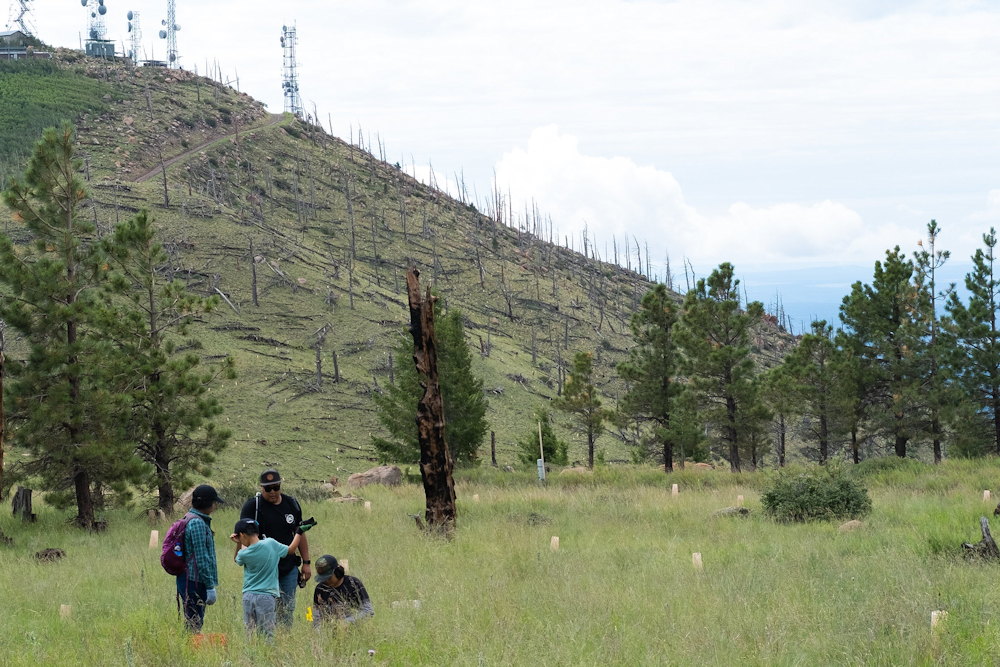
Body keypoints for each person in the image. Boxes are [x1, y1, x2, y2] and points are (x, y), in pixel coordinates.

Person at [239, 468, 312, 628]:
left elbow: (300, 533)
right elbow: (242, 536)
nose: (273, 492)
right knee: (264, 611)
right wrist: (243, 557)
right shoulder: (253, 506)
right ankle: (265, 643)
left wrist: (306, 562)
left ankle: (283, 642)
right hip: (263, 570)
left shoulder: (291, 504)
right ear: (261, 488)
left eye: (276, 487)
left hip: (287, 568)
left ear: (280, 485)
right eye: (268, 489)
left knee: (286, 610)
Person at [230, 516, 315, 641]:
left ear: (241, 535)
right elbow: (291, 549)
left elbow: (238, 557)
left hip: (248, 595)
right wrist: (299, 532)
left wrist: (238, 543)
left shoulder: (244, 554)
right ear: (257, 532)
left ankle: (251, 657)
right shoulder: (270, 543)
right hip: (267, 596)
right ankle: (268, 654)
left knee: (249, 631)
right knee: (267, 632)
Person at [177, 484, 224, 633]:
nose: (215, 505)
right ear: (207, 503)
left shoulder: (191, 518)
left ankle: (190, 648)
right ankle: (191, 651)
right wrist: (210, 586)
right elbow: (201, 558)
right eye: (214, 502)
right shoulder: (197, 523)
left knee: (193, 620)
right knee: (194, 622)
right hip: (194, 581)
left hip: (190, 579)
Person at [312, 555, 374, 626]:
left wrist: (346, 622)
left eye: (329, 578)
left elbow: (369, 611)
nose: (326, 581)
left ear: (338, 572)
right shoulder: (320, 589)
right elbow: (316, 616)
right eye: (323, 579)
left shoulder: (353, 583)